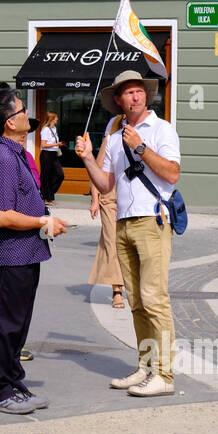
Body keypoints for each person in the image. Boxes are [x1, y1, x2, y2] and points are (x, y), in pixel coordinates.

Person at [76, 69, 182, 398]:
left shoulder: (161, 130)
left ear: (146, 97)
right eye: (128, 93)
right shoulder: (116, 135)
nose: (134, 97)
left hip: (152, 220)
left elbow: (173, 173)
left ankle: (165, 374)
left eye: (139, 91)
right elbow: (106, 183)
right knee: (136, 301)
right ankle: (146, 366)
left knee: (154, 299)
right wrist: (87, 158)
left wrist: (140, 149)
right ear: (119, 101)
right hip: (123, 222)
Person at [0, 88, 67, 415]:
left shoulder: (14, 153)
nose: (28, 114)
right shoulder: (1, 158)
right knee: (4, 324)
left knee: (17, 324)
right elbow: (3, 216)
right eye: (22, 110)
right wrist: (43, 219)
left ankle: (12, 382)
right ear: (10, 122)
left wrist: (46, 223)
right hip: (9, 255)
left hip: (25, 252)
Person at [88, 89, 126, 310]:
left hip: (133, 198)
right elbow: (99, 166)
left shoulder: (147, 131)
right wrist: (94, 198)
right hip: (110, 196)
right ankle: (117, 290)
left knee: (130, 244)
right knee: (112, 244)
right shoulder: (112, 130)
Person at [38, 111, 63, 204]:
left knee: (59, 175)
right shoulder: (45, 130)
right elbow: (43, 145)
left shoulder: (54, 129)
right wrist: (56, 144)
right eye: (56, 117)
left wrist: (57, 145)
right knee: (46, 176)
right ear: (52, 119)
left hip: (53, 154)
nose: (57, 119)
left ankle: (49, 194)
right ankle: (46, 198)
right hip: (46, 155)